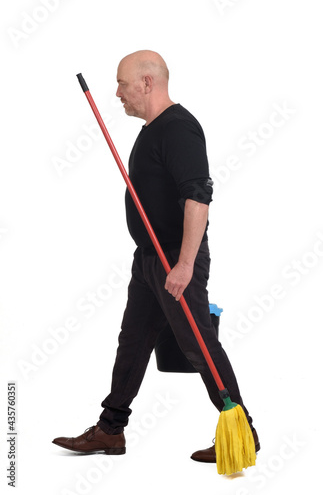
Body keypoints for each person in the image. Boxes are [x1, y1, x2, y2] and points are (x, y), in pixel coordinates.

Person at [53, 50, 260, 462]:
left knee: (198, 344)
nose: (117, 93)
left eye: (122, 83)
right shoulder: (151, 130)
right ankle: (111, 430)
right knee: (132, 343)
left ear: (147, 82)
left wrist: (184, 264)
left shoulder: (178, 128)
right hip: (149, 259)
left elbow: (197, 198)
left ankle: (242, 433)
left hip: (174, 261)